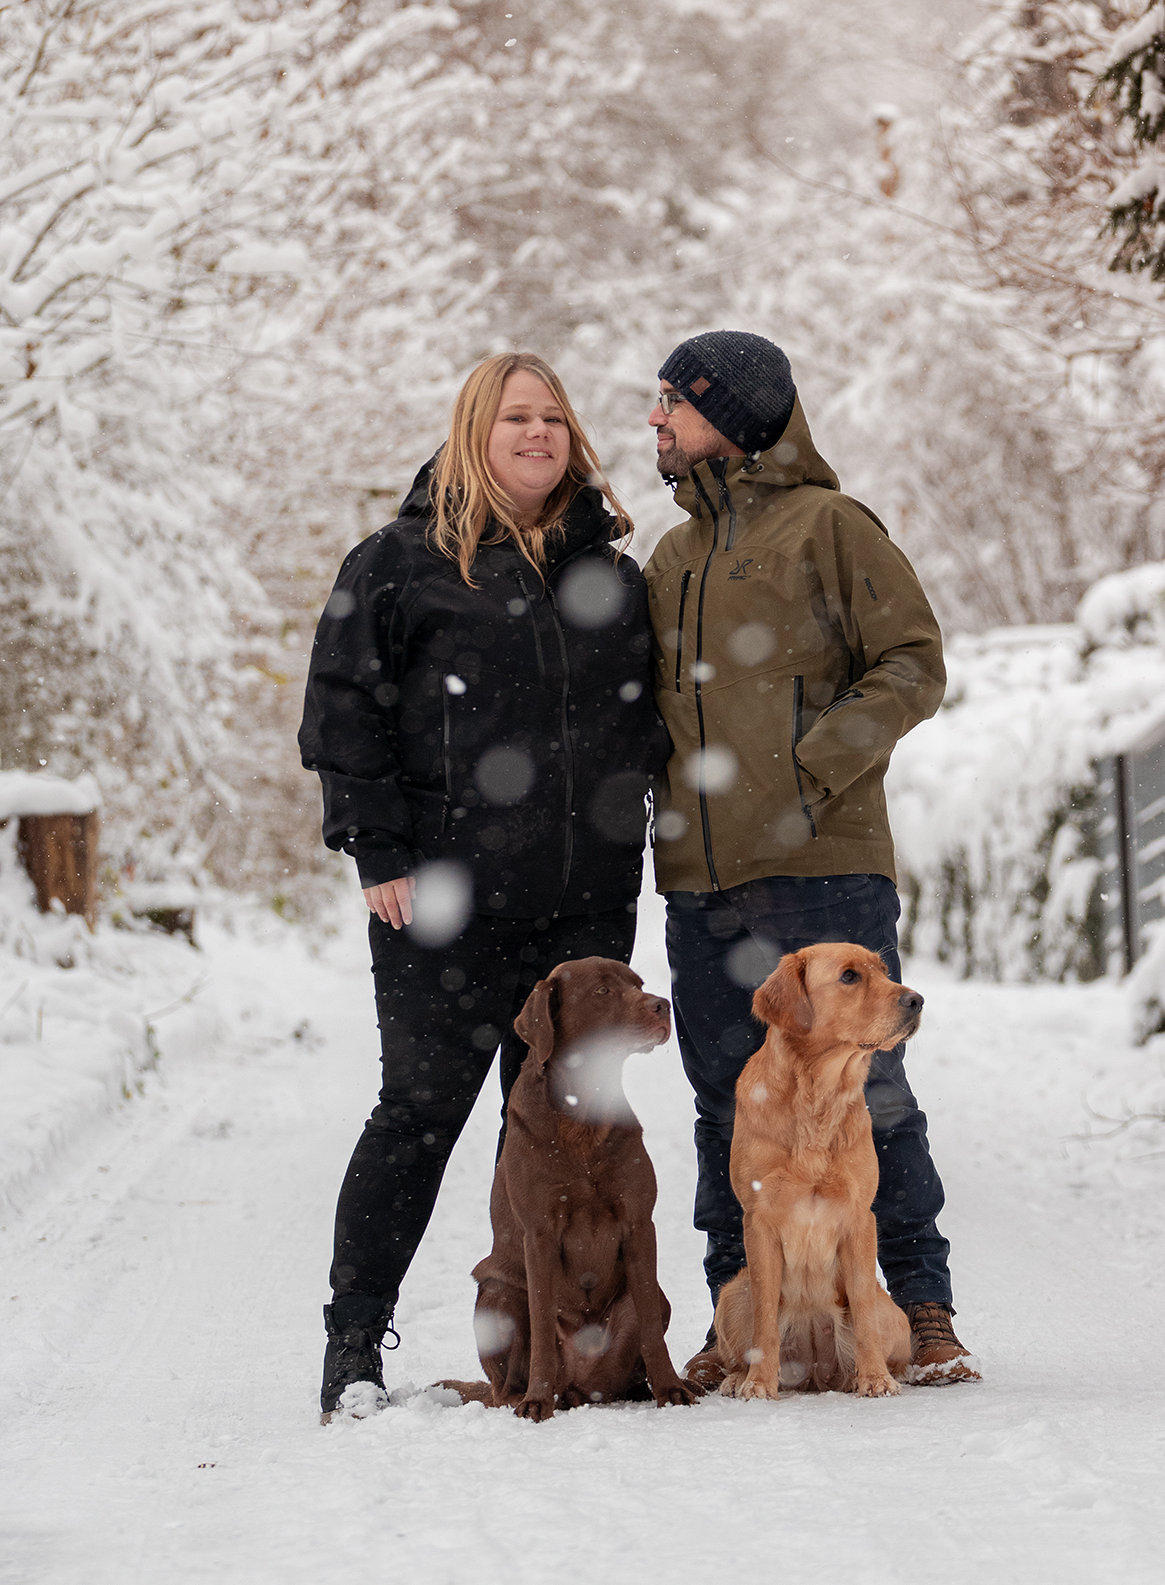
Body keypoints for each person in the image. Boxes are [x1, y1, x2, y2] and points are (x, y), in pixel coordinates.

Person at [299, 352, 667, 1421]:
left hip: (582, 908)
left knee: (572, 1132)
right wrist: (380, 853)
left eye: (552, 417)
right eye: (515, 417)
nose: (537, 434)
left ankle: (558, 1348)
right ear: (473, 431)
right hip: (442, 905)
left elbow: (645, 723)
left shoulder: (611, 573)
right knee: (417, 1113)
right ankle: (354, 1346)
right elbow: (340, 715)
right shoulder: (398, 564)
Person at [643, 329, 978, 1387]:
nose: (653, 420)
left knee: (868, 1092)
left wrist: (806, 767)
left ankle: (918, 1310)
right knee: (719, 1100)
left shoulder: (829, 526)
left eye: (671, 404)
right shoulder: (668, 557)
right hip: (702, 880)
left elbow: (911, 661)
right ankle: (737, 1318)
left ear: (731, 419)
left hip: (822, 860)